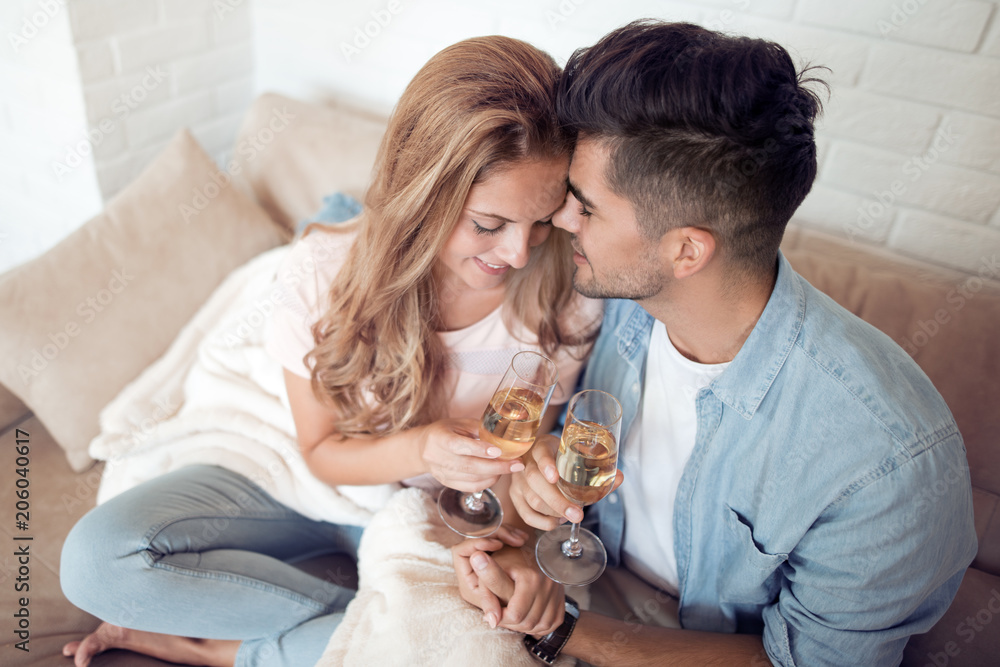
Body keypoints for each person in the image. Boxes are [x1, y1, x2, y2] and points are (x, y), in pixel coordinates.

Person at [59, 35, 600, 667]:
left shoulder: (562, 297)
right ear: (422, 194)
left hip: (432, 518)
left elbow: (527, 458)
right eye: (488, 224)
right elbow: (319, 452)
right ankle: (361, 628)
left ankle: (223, 648)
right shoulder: (324, 271)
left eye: (541, 221)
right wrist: (424, 447)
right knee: (98, 562)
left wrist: (521, 499)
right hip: (310, 481)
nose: (517, 253)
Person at [452, 21, 978, 666]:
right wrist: (535, 495)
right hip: (592, 586)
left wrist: (565, 631)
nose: (560, 221)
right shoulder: (622, 308)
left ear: (686, 251)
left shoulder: (884, 461)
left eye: (587, 208)